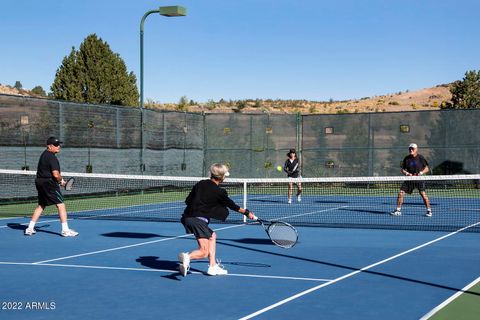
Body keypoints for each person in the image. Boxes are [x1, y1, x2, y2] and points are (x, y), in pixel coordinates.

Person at [178, 163, 256, 277]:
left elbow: (187, 200)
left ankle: (213, 266)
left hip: (187, 217)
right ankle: (187, 257)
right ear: (222, 177)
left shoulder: (200, 184)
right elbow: (233, 206)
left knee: (212, 236)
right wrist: (248, 213)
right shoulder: (220, 192)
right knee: (204, 252)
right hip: (197, 220)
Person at [24, 137, 79, 237]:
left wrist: (60, 181)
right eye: (56, 145)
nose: (58, 147)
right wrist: (61, 181)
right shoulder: (52, 157)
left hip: (39, 182)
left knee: (41, 205)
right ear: (49, 146)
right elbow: (56, 174)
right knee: (60, 205)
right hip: (49, 184)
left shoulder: (44, 155)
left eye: (59, 145)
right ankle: (65, 231)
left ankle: (30, 228)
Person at [391, 143, 432, 217]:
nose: (411, 150)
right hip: (409, 179)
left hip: (419, 179)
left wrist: (421, 173)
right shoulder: (406, 158)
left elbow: (427, 168)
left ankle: (429, 211)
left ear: (416, 149)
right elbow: (402, 169)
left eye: (412, 148)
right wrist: (407, 173)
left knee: (423, 194)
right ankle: (398, 210)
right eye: (410, 148)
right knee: (400, 193)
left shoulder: (421, 158)